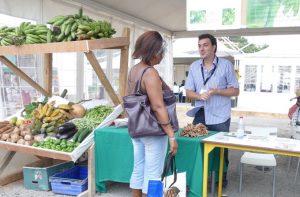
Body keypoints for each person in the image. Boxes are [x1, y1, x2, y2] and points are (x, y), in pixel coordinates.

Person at [125, 31, 178, 197]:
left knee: (139, 167)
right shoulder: (150, 73)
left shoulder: (134, 70)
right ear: (154, 52)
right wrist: (171, 135)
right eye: (161, 51)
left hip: (136, 128)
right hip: (153, 130)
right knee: (153, 174)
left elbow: (129, 99)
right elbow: (157, 106)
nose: (162, 55)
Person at [185, 33, 239, 186]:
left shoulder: (226, 65)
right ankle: (199, 178)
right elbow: (188, 92)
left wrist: (217, 91)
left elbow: (235, 90)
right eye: (199, 45)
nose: (202, 48)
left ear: (214, 47)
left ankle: (221, 180)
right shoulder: (194, 66)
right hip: (200, 113)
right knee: (197, 147)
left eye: (205, 45)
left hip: (220, 115)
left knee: (221, 149)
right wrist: (198, 95)